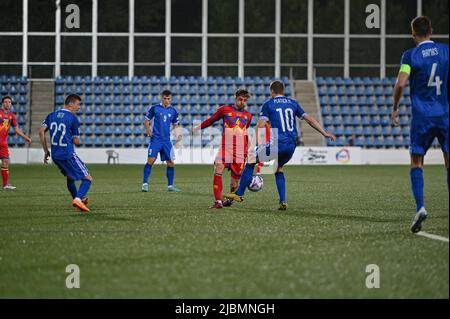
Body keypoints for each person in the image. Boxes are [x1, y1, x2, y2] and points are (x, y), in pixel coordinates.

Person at [225, 80, 336, 210]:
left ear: (272, 91)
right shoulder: (293, 103)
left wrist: (252, 144)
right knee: (278, 168)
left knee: (250, 160)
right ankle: (283, 201)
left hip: (277, 144)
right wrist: (324, 133)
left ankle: (239, 194)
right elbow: (309, 119)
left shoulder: (269, 104)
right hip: (291, 146)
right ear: (283, 91)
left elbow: (260, 125)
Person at [391, 16, 448, 233]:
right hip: (445, 115)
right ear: (431, 30)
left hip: (422, 116)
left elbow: (401, 83)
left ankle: (421, 207)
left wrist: (395, 107)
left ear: (413, 32)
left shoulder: (410, 55)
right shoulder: (446, 51)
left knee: (416, 162)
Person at [193, 89, 252, 209]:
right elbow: (212, 119)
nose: (242, 102)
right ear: (235, 99)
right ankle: (218, 202)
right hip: (226, 148)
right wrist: (199, 127)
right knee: (219, 166)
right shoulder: (225, 109)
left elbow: (245, 132)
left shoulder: (248, 116)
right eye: (240, 99)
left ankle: (228, 201)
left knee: (234, 183)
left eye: (245, 100)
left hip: (240, 151)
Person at [39, 94, 92, 212]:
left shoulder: (51, 115)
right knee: (88, 178)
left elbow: (41, 131)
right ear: (71, 104)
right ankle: (78, 199)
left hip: (56, 155)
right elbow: (76, 141)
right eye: (78, 104)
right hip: (67, 154)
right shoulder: (73, 119)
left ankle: (78, 200)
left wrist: (46, 150)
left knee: (70, 177)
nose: (79, 107)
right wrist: (76, 135)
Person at [142, 90, 182, 192]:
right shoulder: (155, 108)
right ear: (162, 98)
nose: (167, 100)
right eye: (165, 98)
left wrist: (178, 137)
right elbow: (146, 121)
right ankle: (145, 184)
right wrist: (149, 131)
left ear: (171, 99)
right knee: (151, 160)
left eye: (168, 99)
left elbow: (176, 125)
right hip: (156, 139)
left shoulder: (173, 111)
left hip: (166, 141)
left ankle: (170, 186)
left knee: (171, 162)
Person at [0, 95, 31, 189]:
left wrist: (25, 137)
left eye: (9, 102)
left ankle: (5, 185)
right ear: (2, 103)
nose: (7, 103)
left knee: (5, 161)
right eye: (5, 102)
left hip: (3, 143)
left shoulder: (12, 116)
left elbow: (16, 129)